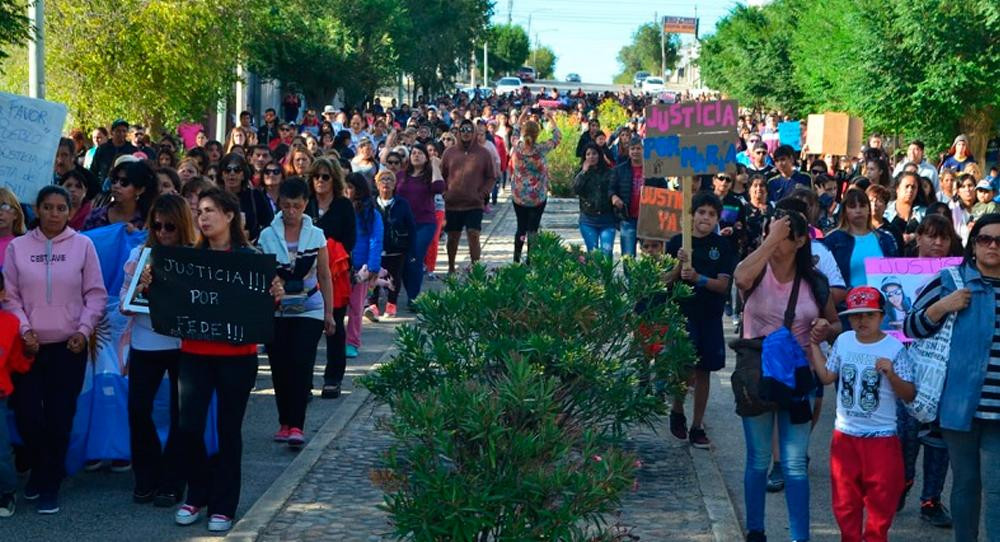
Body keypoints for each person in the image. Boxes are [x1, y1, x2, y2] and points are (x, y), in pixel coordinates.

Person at [142, 188, 281, 532]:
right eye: (199, 211)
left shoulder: (251, 258)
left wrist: (274, 294)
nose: (202, 218)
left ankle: (224, 504)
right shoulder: (186, 260)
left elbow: (263, 309)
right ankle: (196, 494)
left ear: (230, 216)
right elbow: (166, 298)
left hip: (237, 357)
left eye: (210, 211)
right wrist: (148, 285)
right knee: (188, 428)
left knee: (228, 431)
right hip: (193, 355)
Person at [733, 205, 840, 542]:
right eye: (773, 227)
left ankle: (800, 537)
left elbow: (837, 324)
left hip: (798, 378)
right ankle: (755, 532)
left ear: (800, 241)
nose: (778, 234)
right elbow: (740, 278)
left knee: (794, 465)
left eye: (786, 231)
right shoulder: (756, 269)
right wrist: (771, 239)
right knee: (758, 459)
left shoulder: (815, 282)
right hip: (758, 377)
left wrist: (826, 327)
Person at [5, 185, 108, 514]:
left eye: (60, 208)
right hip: (28, 348)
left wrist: (83, 330)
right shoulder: (18, 248)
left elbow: (96, 294)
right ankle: (40, 467)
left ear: (69, 210)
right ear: (37, 210)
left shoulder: (84, 245)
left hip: (69, 347)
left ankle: (49, 483)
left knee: (60, 418)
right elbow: (10, 296)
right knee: (28, 416)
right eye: (47, 207)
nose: (53, 214)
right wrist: (24, 329)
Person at [904, 213, 1000, 541]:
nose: (993, 246)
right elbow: (910, 327)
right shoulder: (949, 280)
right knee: (965, 486)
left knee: (996, 490)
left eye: (999, 241)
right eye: (985, 239)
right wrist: (942, 306)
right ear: (973, 245)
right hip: (959, 406)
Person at [810, 286, 915, 542]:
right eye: (856, 315)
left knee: (882, 503)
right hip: (846, 435)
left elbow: (909, 394)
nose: (862, 320)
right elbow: (826, 377)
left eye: (869, 314)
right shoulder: (844, 340)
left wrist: (891, 374)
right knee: (845, 502)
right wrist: (813, 344)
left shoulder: (895, 348)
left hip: (881, 438)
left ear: (881, 315)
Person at [121, 194, 194, 507]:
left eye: (170, 227)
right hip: (145, 341)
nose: (163, 233)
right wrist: (139, 287)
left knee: (182, 415)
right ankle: (145, 474)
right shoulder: (140, 253)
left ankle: (173, 479)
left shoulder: (194, 257)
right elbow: (124, 304)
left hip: (181, 344)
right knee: (138, 410)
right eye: (158, 226)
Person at [258, 177, 335, 448]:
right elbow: (262, 274)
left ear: (305, 205)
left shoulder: (316, 235)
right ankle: (284, 420)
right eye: (287, 206)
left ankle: (297, 425)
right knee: (280, 366)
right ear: (280, 204)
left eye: (297, 206)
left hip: (309, 305)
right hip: (278, 307)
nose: (291, 212)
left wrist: (329, 312)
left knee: (302, 363)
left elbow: (325, 274)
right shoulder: (268, 235)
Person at [664, 193, 735, 449]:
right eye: (701, 212)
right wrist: (678, 265)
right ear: (692, 215)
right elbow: (664, 282)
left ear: (717, 219)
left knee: (704, 370)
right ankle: (677, 410)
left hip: (710, 315)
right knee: (684, 367)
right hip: (683, 314)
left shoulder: (723, 246)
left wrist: (698, 278)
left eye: (711, 214)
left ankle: (697, 425)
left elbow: (723, 286)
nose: (705, 217)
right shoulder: (676, 243)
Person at [441, 118, 495, 273]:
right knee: (453, 238)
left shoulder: (483, 153)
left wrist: (483, 193)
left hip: (474, 203)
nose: (466, 133)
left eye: (469, 130)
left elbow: (491, 176)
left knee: (474, 234)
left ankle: (476, 269)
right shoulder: (449, 152)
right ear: (458, 132)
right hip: (453, 203)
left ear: (474, 133)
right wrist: (445, 193)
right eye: (462, 130)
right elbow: (441, 175)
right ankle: (451, 267)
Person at [823, 189, 899, 298]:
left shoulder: (886, 239)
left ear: (868, 209)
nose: (858, 210)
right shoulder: (833, 240)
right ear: (845, 211)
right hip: (846, 306)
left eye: (862, 205)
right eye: (853, 206)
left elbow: (896, 274)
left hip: (881, 306)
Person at [395, 144, 444, 306]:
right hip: (403, 224)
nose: (416, 155)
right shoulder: (402, 175)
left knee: (415, 256)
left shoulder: (430, 175)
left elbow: (439, 187)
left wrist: (435, 165)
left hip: (425, 223)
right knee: (404, 259)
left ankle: (413, 297)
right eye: (413, 153)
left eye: (420, 153)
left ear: (426, 157)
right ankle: (411, 293)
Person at [509, 109, 561, 263]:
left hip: (519, 196)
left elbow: (514, 132)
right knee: (533, 229)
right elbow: (557, 137)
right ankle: (531, 261)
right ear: (537, 134)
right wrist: (550, 118)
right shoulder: (541, 149)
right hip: (537, 197)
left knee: (521, 228)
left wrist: (522, 115)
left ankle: (516, 259)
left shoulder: (517, 146)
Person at [366, 171, 415, 320]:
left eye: (389, 180)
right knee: (372, 275)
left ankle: (391, 304)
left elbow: (410, 226)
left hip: (396, 249)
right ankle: (373, 305)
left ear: (394, 184)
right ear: (376, 183)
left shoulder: (402, 203)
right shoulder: (371, 204)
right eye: (382, 180)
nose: (386, 183)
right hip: (375, 249)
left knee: (394, 277)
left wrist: (411, 249)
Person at [345, 173, 382, 358]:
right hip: (338, 265)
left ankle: (352, 342)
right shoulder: (339, 209)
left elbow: (376, 240)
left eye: (350, 187)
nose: (347, 191)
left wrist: (372, 267)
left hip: (360, 267)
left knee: (356, 307)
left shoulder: (371, 213)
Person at [611, 136, 668, 258]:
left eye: (638, 148)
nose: (635, 151)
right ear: (629, 151)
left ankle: (649, 277)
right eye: (632, 149)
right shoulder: (619, 170)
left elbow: (664, 188)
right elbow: (611, 189)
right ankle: (629, 278)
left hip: (649, 219)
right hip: (628, 218)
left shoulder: (654, 170)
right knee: (628, 256)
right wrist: (614, 197)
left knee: (652, 256)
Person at [217, 153, 273, 242]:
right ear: (221, 174)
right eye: (227, 170)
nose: (232, 173)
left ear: (243, 175)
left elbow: (268, 223)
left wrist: (255, 236)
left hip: (250, 247)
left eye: (237, 170)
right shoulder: (214, 197)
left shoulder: (255, 196)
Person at [573, 144, 617, 255]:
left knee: (606, 253)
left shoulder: (609, 172)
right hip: (588, 220)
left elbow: (614, 190)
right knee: (593, 255)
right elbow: (575, 189)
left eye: (594, 153)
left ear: (599, 155)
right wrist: (584, 173)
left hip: (607, 219)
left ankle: (606, 273)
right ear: (584, 157)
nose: (591, 157)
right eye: (588, 154)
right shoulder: (581, 173)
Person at [884, 171, 927, 246]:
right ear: (897, 188)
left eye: (913, 187)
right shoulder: (885, 211)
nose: (910, 190)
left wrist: (914, 236)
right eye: (907, 186)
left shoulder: (924, 212)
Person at [950, 173, 977, 245]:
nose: (967, 189)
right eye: (963, 186)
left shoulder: (983, 206)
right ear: (958, 192)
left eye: (970, 185)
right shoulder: (953, 208)